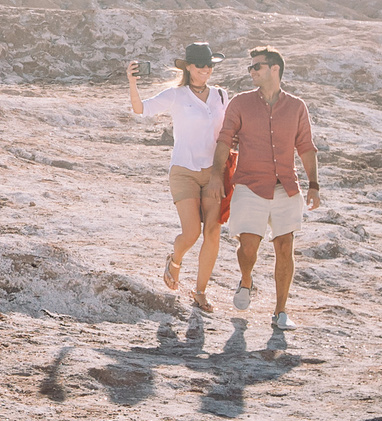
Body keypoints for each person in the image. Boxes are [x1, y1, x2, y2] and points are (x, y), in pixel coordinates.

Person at [212, 46, 320, 335]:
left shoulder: (297, 107)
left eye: (256, 67)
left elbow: (306, 147)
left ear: (275, 69)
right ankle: (246, 279)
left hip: (286, 186)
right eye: (250, 67)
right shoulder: (240, 103)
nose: (251, 72)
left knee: (285, 248)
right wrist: (214, 176)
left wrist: (314, 184)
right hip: (249, 185)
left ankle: (280, 311)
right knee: (248, 247)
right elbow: (225, 140)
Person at [124, 43, 230, 315]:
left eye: (209, 65)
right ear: (188, 68)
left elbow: (229, 131)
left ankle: (200, 292)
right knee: (192, 232)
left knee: (213, 231)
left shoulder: (221, 95)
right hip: (183, 170)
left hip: (214, 171)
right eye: (200, 65)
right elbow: (140, 109)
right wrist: (132, 82)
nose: (206, 70)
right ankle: (175, 258)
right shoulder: (176, 95)